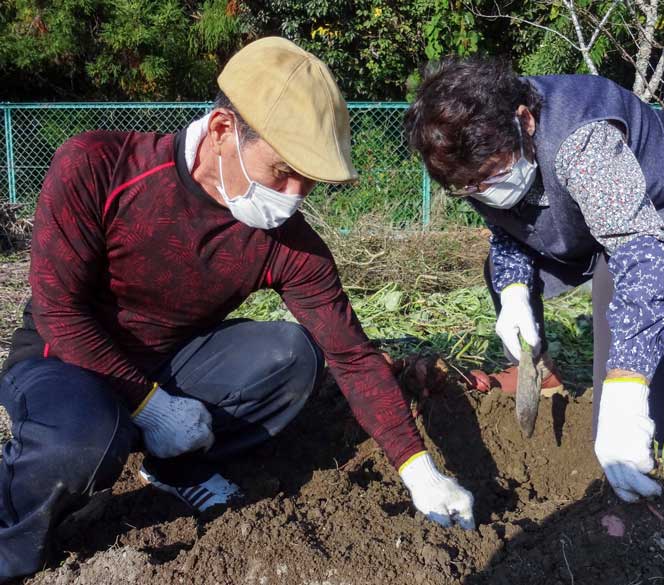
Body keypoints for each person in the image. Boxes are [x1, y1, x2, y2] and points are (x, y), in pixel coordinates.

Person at [0, 37, 474, 582]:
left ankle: (174, 468)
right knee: (84, 437)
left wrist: (419, 470)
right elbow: (61, 313)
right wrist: (152, 407)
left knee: (294, 354)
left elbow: (352, 356)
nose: (293, 196)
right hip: (63, 358)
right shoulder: (97, 165)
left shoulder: (286, 243)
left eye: (309, 183)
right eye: (282, 171)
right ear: (224, 130)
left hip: (170, 361)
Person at [405, 58, 664, 504]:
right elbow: (509, 230)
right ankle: (540, 373)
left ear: (524, 119)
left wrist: (625, 387)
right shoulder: (476, 160)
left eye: (493, 176)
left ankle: (650, 452)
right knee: (503, 275)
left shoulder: (582, 141)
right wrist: (516, 294)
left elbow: (647, 261)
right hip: (578, 201)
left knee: (616, 285)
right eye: (470, 187)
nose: (484, 191)